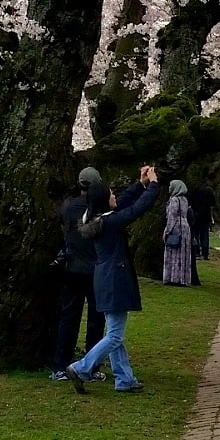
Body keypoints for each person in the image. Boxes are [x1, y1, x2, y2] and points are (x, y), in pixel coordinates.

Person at [65, 165, 159, 394]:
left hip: (104, 278)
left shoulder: (98, 219)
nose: (115, 196)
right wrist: (154, 185)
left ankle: (124, 378)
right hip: (114, 280)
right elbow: (137, 208)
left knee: (113, 332)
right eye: (111, 194)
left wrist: (140, 184)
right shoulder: (110, 224)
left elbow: (126, 200)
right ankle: (82, 368)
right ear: (105, 201)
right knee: (116, 334)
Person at [49, 167, 106, 382]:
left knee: (68, 318)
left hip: (72, 267)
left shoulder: (69, 207)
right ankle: (90, 366)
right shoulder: (99, 208)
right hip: (94, 269)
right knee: (95, 320)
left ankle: (60, 365)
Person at [163, 180, 192, 286]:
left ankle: (173, 277)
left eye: (171, 186)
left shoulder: (174, 200)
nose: (169, 188)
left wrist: (167, 231)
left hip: (176, 228)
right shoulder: (184, 200)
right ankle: (183, 278)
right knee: (184, 253)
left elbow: (172, 217)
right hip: (185, 227)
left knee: (174, 252)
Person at [188, 183, 216, 260]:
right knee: (205, 234)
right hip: (206, 214)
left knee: (196, 233)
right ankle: (205, 253)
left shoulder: (194, 190)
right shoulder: (209, 191)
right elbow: (212, 204)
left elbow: (190, 202)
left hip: (196, 214)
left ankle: (197, 252)